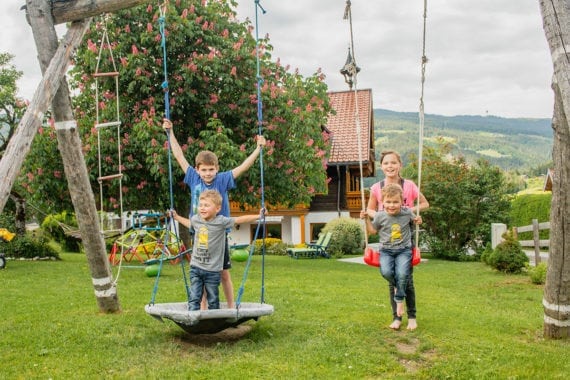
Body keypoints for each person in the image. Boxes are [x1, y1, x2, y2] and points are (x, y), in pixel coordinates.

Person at [162, 118, 266, 309]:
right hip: (199, 232)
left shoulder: (223, 179)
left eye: (211, 170)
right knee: (200, 272)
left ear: (217, 169)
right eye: (204, 170)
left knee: (223, 273)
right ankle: (202, 308)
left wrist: (258, 149)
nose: (208, 173)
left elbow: (243, 167)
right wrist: (171, 133)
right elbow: (179, 156)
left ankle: (231, 305)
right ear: (198, 169)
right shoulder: (193, 177)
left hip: (219, 234)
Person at [171, 190, 265, 310]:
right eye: (200, 205)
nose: (202, 208)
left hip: (213, 269)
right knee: (194, 296)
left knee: (213, 298)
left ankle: (214, 321)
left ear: (217, 208)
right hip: (196, 267)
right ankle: (194, 320)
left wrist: (258, 216)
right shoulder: (196, 219)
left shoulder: (221, 221)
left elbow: (239, 220)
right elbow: (189, 223)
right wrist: (177, 217)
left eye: (207, 205)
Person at [366, 150, 429, 331]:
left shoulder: (408, 185)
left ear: (400, 165)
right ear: (381, 166)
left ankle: (411, 317)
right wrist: (383, 213)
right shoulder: (377, 188)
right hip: (386, 231)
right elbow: (370, 210)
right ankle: (397, 318)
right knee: (393, 280)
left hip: (405, 233)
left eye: (393, 163)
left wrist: (408, 211)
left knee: (406, 278)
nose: (390, 166)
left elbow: (425, 203)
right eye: (386, 163)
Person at [361, 183, 422, 324]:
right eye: (388, 202)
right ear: (383, 202)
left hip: (403, 250)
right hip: (386, 251)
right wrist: (366, 220)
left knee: (402, 274)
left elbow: (416, 220)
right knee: (386, 272)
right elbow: (373, 231)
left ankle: (399, 299)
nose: (392, 205)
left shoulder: (407, 212)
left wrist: (418, 220)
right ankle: (398, 288)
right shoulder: (380, 215)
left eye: (396, 202)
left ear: (402, 201)